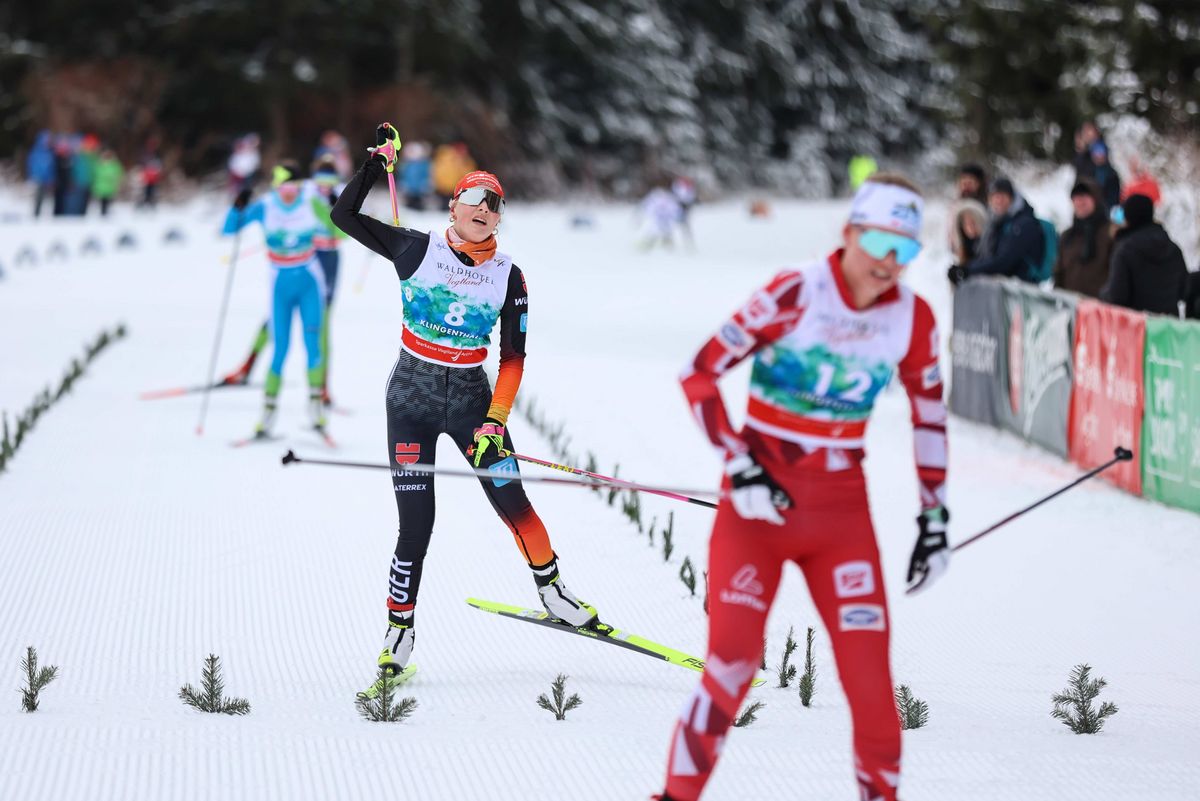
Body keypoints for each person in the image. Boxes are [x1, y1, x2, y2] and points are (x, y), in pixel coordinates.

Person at [656, 173, 949, 801]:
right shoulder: (797, 291)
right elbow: (698, 374)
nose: (889, 262)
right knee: (731, 667)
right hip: (757, 510)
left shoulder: (913, 318)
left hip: (841, 517)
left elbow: (930, 417)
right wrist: (740, 464)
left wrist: (935, 517)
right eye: (879, 242)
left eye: (906, 249)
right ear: (848, 232)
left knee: (872, 688)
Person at [331, 124, 600, 694]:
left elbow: (513, 359)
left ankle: (553, 592)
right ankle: (399, 632)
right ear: (453, 205)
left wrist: (495, 420)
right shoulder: (414, 247)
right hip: (411, 403)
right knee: (416, 524)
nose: (483, 208)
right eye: (473, 198)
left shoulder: (510, 278)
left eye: (494, 203)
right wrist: (376, 166)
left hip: (475, 408)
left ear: (499, 219)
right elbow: (343, 216)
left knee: (513, 501)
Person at [222, 161, 331, 436]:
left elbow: (340, 231)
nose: (289, 192)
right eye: (284, 187)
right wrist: (237, 206)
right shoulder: (266, 206)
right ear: (276, 186)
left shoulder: (311, 203)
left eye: (294, 186)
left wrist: (335, 207)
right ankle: (268, 414)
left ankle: (316, 408)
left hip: (309, 283)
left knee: (312, 346)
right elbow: (230, 228)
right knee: (279, 348)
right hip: (280, 287)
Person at [1100, 193, 1188, 316]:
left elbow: (1117, 296)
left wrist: (1103, 294)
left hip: (1136, 323)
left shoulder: (1125, 250)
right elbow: (1184, 289)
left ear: (1128, 217)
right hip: (1168, 324)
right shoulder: (1173, 249)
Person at [949, 177, 1043, 285]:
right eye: (994, 197)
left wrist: (967, 270)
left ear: (1012, 197)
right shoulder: (997, 222)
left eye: (1002, 196)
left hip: (1023, 287)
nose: (998, 201)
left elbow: (1004, 261)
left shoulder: (1022, 224)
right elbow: (987, 257)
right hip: (1008, 286)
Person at [311, 157, 347, 405]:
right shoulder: (308, 196)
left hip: (330, 259)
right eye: (321, 181)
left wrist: (337, 211)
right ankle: (248, 364)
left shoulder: (339, 195)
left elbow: (344, 235)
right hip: (309, 258)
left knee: (324, 323)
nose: (325, 186)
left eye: (329, 181)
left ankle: (323, 385)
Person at [1053, 179, 1111, 298]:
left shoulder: (1111, 233)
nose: (1079, 202)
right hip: (1070, 303)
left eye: (1084, 198)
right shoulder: (1068, 236)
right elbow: (1059, 273)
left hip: (1100, 305)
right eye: (1076, 198)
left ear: (1096, 200)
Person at [948, 163, 988, 267]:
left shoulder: (989, 205)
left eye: (970, 183)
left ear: (979, 183)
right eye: (963, 183)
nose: (966, 187)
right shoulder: (956, 206)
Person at [26, 130, 55, 218]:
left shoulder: (50, 152)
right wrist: (33, 175)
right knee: (38, 198)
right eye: (46, 140)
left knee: (46, 198)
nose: (48, 142)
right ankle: (36, 215)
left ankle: (43, 215)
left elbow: (51, 167)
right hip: (38, 179)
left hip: (47, 180)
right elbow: (31, 164)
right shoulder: (36, 151)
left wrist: (51, 178)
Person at [399, 141, 433, 211]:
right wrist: (402, 183)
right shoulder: (406, 164)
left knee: (418, 204)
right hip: (409, 188)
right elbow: (402, 175)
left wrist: (426, 183)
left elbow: (426, 174)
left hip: (419, 189)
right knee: (409, 204)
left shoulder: (424, 163)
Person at [1089, 142, 1122, 211]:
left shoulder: (1111, 173)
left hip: (1110, 209)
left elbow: (1114, 198)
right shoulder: (1090, 172)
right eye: (1096, 155)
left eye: (1100, 154)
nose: (1098, 157)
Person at [92, 149, 125, 217]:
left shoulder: (114, 164)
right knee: (103, 201)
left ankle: (106, 213)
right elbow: (96, 174)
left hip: (110, 186)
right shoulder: (99, 164)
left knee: (108, 200)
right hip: (101, 186)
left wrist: (117, 182)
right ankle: (103, 213)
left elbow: (119, 173)